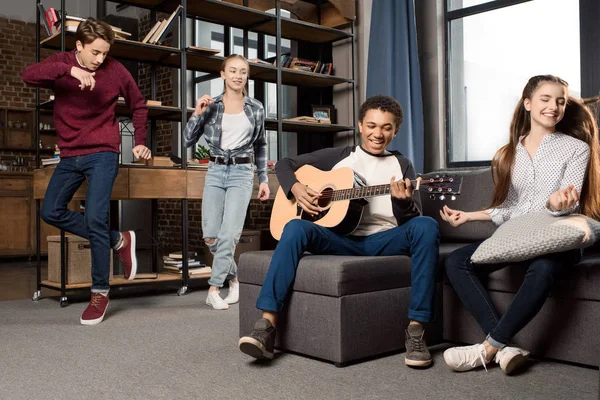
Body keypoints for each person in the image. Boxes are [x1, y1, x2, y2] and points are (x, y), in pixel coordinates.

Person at [238, 95, 440, 367]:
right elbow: (284, 164)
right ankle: (265, 328)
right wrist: (296, 189)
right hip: (340, 239)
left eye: (386, 128)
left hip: (383, 240)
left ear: (396, 131)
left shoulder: (402, 166)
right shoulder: (342, 157)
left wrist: (402, 203)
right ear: (359, 125)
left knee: (426, 225)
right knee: (296, 226)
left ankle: (417, 330)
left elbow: (412, 222)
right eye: (371, 125)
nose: (377, 134)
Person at [440, 75, 600, 374]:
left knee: (544, 267)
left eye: (560, 101)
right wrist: (470, 216)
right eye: (546, 99)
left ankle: (488, 348)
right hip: (518, 238)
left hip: (557, 237)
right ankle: (506, 350)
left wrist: (556, 205)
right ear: (527, 103)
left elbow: (572, 202)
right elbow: (510, 207)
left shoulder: (577, 148)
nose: (554, 106)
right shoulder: (510, 151)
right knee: (457, 261)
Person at [22, 18, 151, 325]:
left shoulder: (116, 70)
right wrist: (69, 70)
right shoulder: (62, 63)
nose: (100, 59)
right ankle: (117, 240)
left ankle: (100, 291)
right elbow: (28, 74)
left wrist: (140, 142)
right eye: (95, 53)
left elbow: (139, 105)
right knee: (51, 211)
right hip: (69, 155)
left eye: (105, 53)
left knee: (95, 216)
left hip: (103, 153)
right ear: (78, 46)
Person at [183, 54, 270, 310]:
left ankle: (213, 288)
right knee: (211, 237)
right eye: (232, 70)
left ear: (247, 76)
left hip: (242, 173)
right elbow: (188, 140)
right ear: (222, 74)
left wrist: (263, 179)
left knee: (229, 234)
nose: (237, 75)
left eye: (242, 71)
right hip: (215, 170)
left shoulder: (256, 107)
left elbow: (261, 145)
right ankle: (234, 278)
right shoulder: (211, 105)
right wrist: (196, 114)